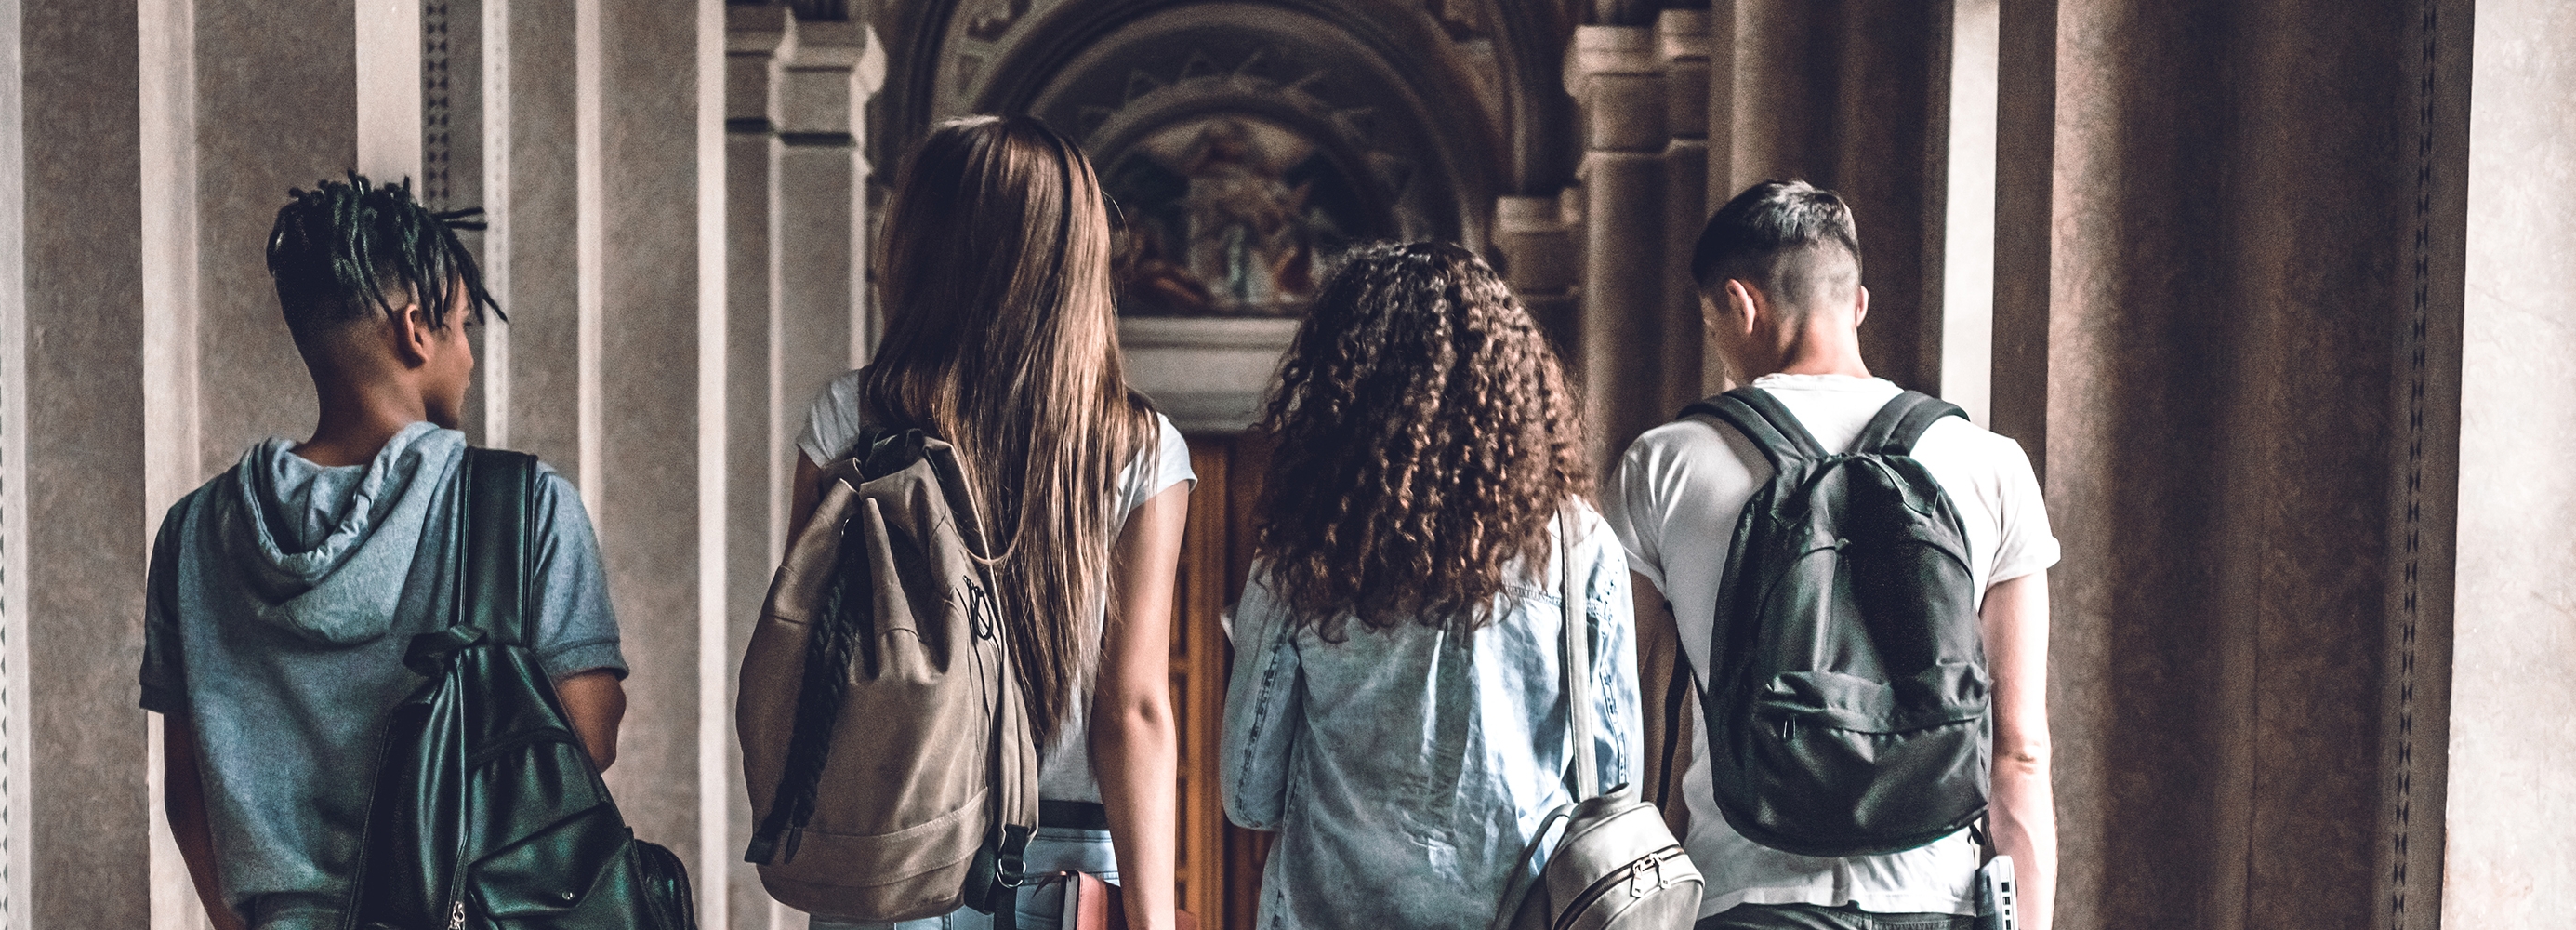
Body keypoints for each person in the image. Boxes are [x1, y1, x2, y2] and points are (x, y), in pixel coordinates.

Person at [143, 176, 630, 930]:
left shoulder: (194, 534)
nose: (468, 357)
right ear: (415, 330)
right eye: (463, 326)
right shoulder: (521, 505)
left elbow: (185, 788)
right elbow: (584, 741)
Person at [1608, 181, 2059, 930]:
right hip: (1932, 901)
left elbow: (1615, 721)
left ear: (1740, 303)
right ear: (1857, 305)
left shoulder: (1665, 466)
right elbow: (2021, 750)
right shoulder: (1991, 464)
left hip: (1745, 896)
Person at [788, 113, 1195, 930]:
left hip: (887, 848)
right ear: (1074, 264)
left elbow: (803, 649)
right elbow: (1132, 710)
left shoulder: (849, 419)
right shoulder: (1138, 450)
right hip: (1065, 872)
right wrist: (1155, 921)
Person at [1220, 241, 1636, 930]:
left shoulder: (1302, 552)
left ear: (1340, 386)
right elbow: (1614, 788)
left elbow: (1247, 795)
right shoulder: (1578, 545)